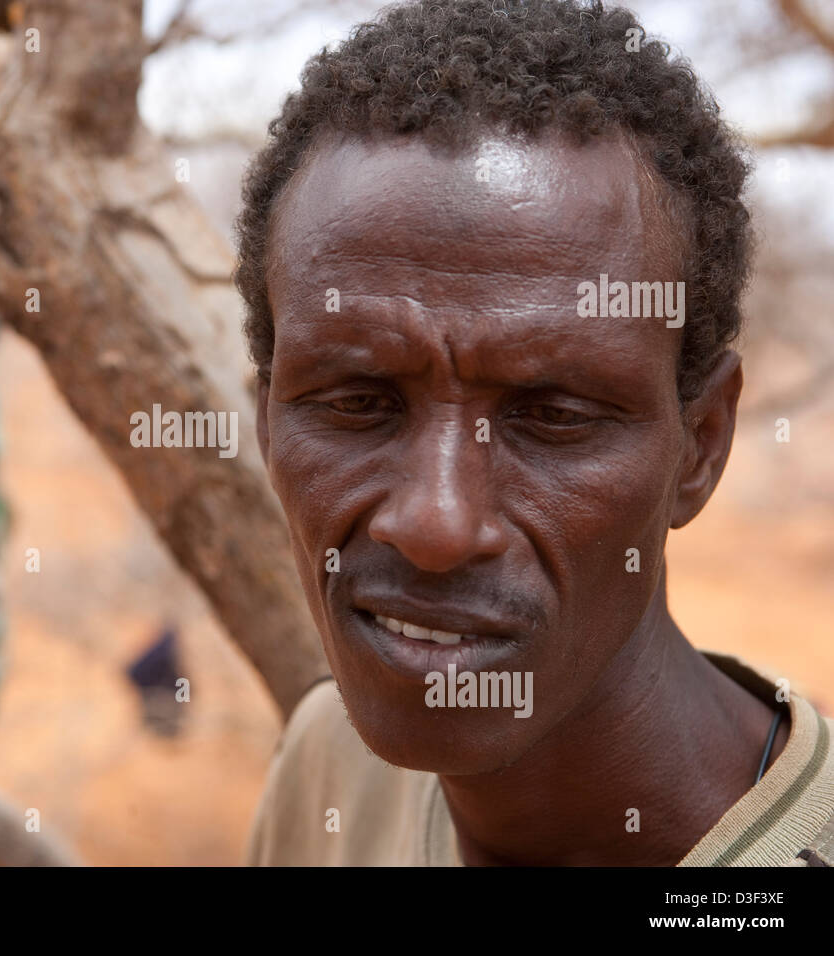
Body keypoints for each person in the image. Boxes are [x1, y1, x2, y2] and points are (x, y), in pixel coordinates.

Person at [235, 0, 834, 866]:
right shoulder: (331, 769)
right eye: (356, 402)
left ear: (700, 445)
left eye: (552, 417)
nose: (437, 525)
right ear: (265, 423)